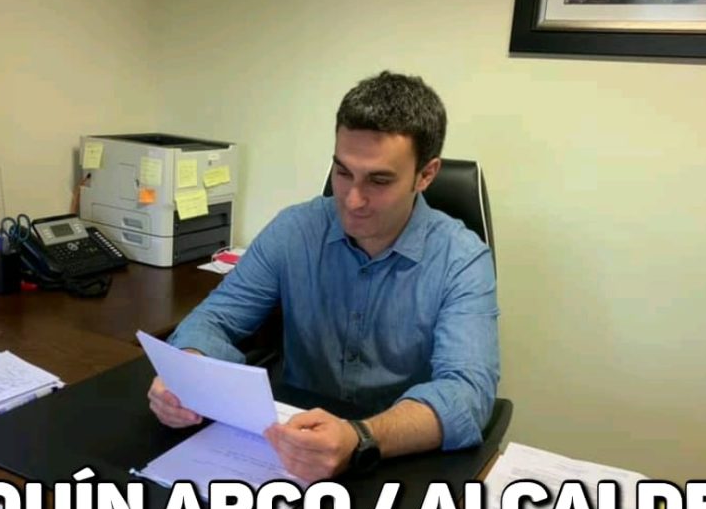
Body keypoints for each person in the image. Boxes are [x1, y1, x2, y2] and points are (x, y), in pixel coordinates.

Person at [147, 71, 499, 482]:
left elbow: (466, 393)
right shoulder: (295, 230)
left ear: (426, 175)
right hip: (289, 449)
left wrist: (360, 436)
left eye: (379, 180)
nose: (352, 200)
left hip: (396, 458)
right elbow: (215, 318)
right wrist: (187, 373)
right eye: (343, 172)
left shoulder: (462, 259)